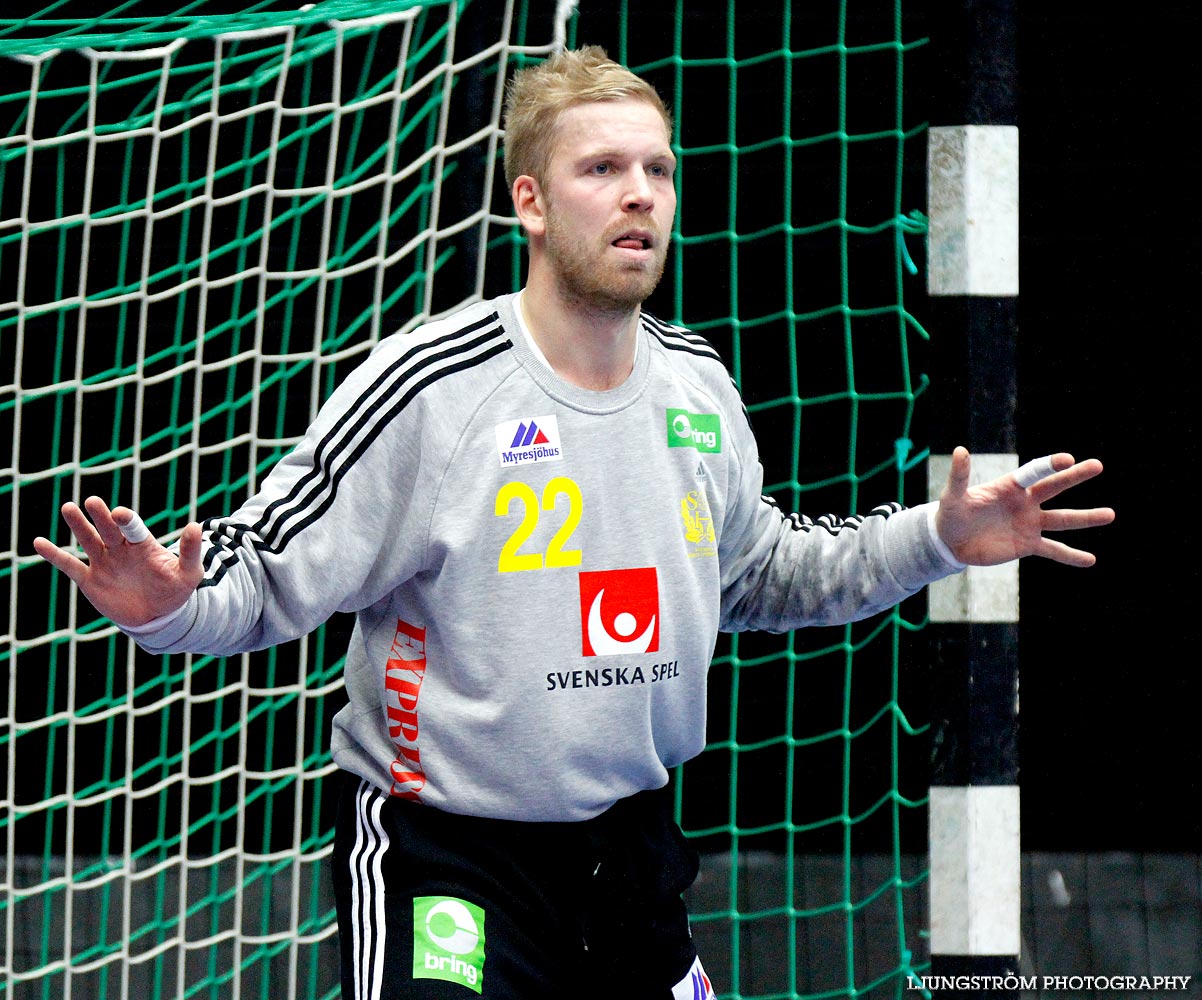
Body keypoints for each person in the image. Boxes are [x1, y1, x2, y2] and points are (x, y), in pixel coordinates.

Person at [33, 46, 1113, 1000]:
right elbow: (264, 570)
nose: (637, 195)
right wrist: (170, 607)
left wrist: (935, 537)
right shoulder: (431, 386)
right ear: (531, 204)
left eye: (656, 170)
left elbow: (760, 576)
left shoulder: (697, 389)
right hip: (446, 855)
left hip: (629, 858)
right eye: (601, 170)